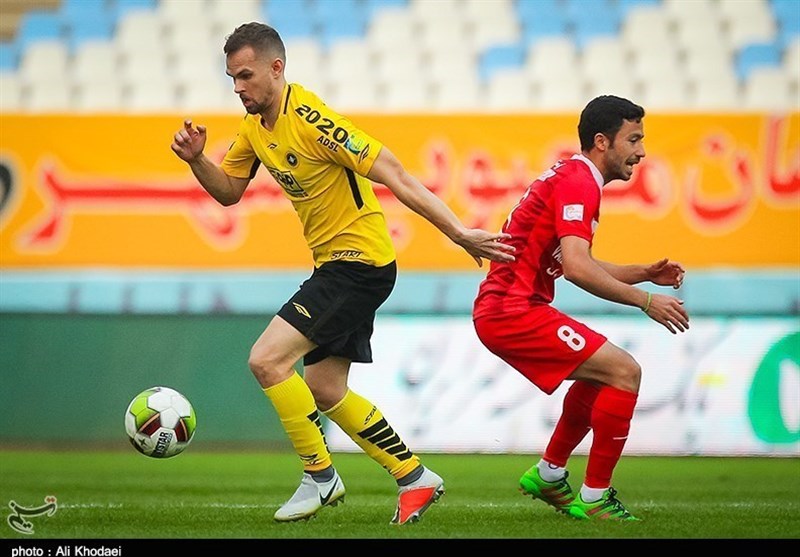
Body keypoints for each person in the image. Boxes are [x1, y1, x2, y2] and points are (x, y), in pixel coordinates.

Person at [170, 22, 515, 525]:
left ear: (276, 68)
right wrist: (198, 160)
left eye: (246, 76)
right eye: (232, 79)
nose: (238, 87)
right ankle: (414, 477)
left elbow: (396, 174)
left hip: (357, 265)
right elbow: (228, 191)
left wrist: (459, 232)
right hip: (339, 266)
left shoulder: (313, 121)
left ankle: (320, 476)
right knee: (326, 388)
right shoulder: (254, 129)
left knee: (267, 360)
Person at [472, 95, 690, 521]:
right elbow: (576, 269)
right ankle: (594, 498)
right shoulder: (579, 183)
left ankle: (549, 473)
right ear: (602, 142)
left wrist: (643, 273)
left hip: (509, 307)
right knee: (625, 371)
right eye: (634, 139)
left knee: (601, 376)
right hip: (511, 310)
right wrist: (646, 301)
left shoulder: (572, 176)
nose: (642, 152)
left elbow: (580, 261)